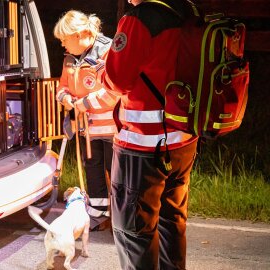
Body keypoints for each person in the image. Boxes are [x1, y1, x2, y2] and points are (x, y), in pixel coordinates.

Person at [101, 0, 198, 269]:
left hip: (142, 146)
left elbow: (117, 79)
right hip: (183, 140)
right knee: (172, 222)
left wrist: (102, 72)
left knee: (133, 231)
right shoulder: (187, 10)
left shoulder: (140, 18)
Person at [53, 10, 118, 231]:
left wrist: (85, 103)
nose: (63, 45)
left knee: (116, 174)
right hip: (87, 131)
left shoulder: (109, 51)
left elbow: (114, 91)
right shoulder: (70, 59)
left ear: (80, 34)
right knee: (93, 172)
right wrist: (67, 99)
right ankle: (98, 216)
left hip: (113, 129)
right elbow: (61, 88)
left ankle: (120, 220)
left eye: (64, 40)